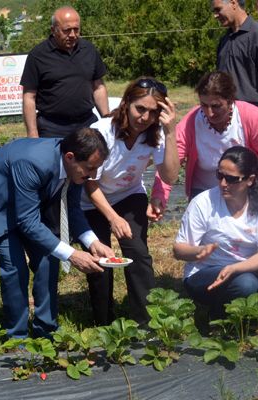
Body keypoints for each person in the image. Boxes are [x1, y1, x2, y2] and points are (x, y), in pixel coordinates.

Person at [0, 128, 115, 338]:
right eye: (90, 168)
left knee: (48, 258)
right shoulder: (33, 162)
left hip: (29, 202)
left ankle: (46, 328)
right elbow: (27, 221)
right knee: (14, 265)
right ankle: (17, 336)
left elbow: (72, 208)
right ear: (70, 157)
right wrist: (72, 254)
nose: (93, 176)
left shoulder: (75, 168)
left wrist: (92, 241)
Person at [81, 77, 179, 326]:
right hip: (94, 199)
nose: (145, 117)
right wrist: (112, 218)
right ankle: (103, 321)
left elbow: (169, 175)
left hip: (129, 194)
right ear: (126, 103)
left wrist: (170, 131)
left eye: (153, 112)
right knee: (101, 257)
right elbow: (89, 182)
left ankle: (146, 319)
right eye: (140, 109)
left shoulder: (154, 133)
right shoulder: (103, 131)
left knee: (137, 252)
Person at [151, 71, 258, 219]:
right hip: (203, 192)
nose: (210, 113)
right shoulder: (191, 122)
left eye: (216, 106)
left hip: (244, 191)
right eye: (204, 105)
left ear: (231, 100)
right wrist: (159, 196)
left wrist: (248, 175)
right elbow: (170, 161)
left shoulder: (252, 117)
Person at [174, 146, 258, 318]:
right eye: (220, 176)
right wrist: (198, 251)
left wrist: (235, 268)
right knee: (246, 283)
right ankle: (218, 316)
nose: (223, 183)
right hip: (206, 274)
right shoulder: (203, 202)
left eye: (231, 179)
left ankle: (251, 316)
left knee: (249, 280)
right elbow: (179, 250)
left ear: (250, 180)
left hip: (244, 268)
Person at [20, 6, 109, 138]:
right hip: (52, 127)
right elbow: (29, 97)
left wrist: (107, 119)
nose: (73, 35)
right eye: (67, 30)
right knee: (54, 159)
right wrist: (33, 134)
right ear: (53, 30)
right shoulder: (38, 55)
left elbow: (98, 87)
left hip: (87, 123)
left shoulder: (89, 50)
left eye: (76, 29)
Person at [212, 0, 258, 113]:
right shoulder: (224, 40)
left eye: (218, 9)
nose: (215, 15)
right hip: (226, 115)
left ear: (233, 3)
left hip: (253, 116)